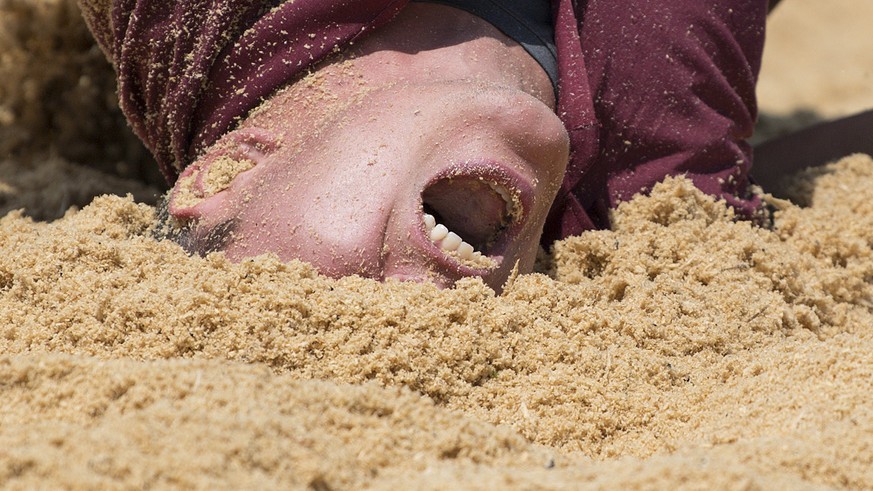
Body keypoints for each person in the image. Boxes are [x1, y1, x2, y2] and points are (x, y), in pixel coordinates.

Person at [75, 0, 859, 290]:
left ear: (231, 168)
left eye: (331, 298)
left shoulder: (197, 20)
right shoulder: (654, 182)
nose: (423, 305)